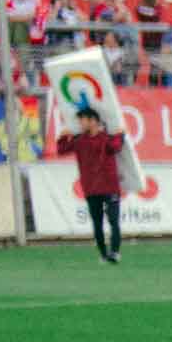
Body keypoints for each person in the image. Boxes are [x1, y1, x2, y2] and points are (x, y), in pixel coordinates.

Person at [50, 95, 129, 261]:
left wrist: (121, 135)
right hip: (92, 188)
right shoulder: (80, 140)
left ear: (93, 120)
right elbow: (62, 150)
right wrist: (63, 136)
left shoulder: (105, 138)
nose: (80, 123)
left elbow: (116, 146)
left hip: (108, 186)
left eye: (83, 120)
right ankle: (103, 254)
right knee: (97, 223)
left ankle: (114, 252)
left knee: (113, 221)